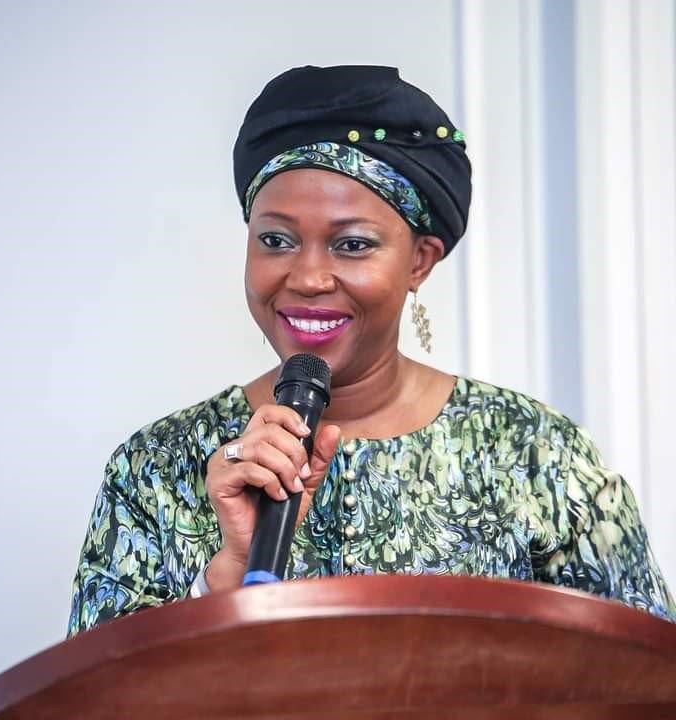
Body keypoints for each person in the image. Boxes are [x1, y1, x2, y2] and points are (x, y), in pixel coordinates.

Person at [68, 65, 675, 636]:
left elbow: (643, 676)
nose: (308, 278)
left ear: (419, 262)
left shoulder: (536, 454)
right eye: (275, 240)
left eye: (352, 245)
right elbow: (93, 693)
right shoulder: (157, 467)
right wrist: (221, 581)